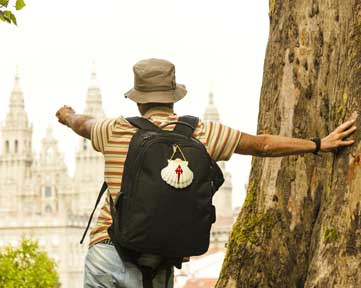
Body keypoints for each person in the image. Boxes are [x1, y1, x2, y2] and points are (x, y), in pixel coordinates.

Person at [56, 58, 357, 288]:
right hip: (160, 257)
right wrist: (319, 144)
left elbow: (83, 123)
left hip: (109, 251)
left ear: (138, 98)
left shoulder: (115, 129)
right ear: (174, 97)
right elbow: (262, 145)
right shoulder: (201, 131)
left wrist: (67, 115)